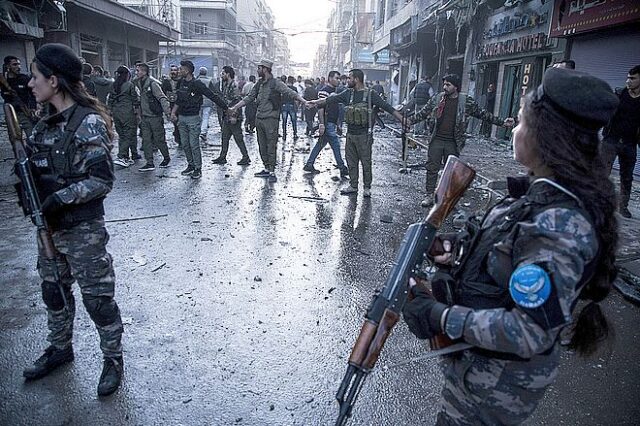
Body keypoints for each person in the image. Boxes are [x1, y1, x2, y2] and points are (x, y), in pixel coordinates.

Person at [402, 68, 619, 425]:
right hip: (478, 372)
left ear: (544, 138)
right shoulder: (538, 194)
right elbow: (508, 255)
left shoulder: (560, 223)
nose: (515, 131)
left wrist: (439, 315)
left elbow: (528, 331)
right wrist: (455, 253)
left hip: (495, 388)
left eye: (520, 123)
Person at [23, 43, 125, 396]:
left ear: (54, 80)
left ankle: (112, 359)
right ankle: (60, 348)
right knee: (54, 293)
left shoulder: (89, 123)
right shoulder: (42, 126)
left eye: (35, 77)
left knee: (98, 300)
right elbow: (38, 171)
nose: (30, 84)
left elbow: (102, 180)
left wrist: (60, 198)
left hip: (83, 230)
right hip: (48, 229)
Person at [411, 74, 515, 207]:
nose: (445, 87)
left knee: (450, 172)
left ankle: (445, 198)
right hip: (436, 139)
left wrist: (502, 123)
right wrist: (409, 121)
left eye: (448, 85)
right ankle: (429, 195)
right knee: (432, 168)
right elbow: (423, 113)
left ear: (456, 87)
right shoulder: (437, 99)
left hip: (453, 141)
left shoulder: (465, 101)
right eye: (444, 84)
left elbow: (482, 114)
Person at [309, 69, 407, 197]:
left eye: (349, 78)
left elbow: (386, 107)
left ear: (356, 79)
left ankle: (367, 187)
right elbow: (329, 100)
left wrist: (402, 119)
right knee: (351, 161)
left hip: (364, 135)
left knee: (366, 162)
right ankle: (353, 185)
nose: (347, 80)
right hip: (350, 134)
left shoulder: (370, 94)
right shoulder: (347, 93)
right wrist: (313, 103)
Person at [228, 59, 308, 183]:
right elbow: (249, 97)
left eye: (259, 68)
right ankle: (266, 168)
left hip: (271, 119)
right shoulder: (259, 83)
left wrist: (304, 102)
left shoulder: (275, 83)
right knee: (262, 146)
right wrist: (235, 107)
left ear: (265, 69)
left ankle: (272, 171)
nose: (257, 70)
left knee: (271, 145)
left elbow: (290, 92)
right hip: (259, 119)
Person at [170, 60, 228, 179]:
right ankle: (190, 165)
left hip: (193, 118)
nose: (179, 71)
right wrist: (173, 112)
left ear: (187, 70)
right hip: (182, 118)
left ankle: (198, 168)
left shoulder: (197, 84)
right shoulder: (181, 82)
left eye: (181, 69)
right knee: (185, 144)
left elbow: (211, 95)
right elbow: (178, 99)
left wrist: (226, 108)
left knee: (194, 144)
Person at [601, 65, 640, 218]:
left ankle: (623, 206)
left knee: (627, 176)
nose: (628, 81)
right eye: (628, 78)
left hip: (630, 143)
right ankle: (598, 201)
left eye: (633, 78)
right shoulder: (619, 94)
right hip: (611, 140)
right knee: (602, 172)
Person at [303, 71, 348, 177]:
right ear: (330, 78)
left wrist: (337, 124)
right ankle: (342, 167)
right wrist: (322, 124)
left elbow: (335, 109)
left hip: (331, 123)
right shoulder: (324, 91)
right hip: (328, 123)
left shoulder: (334, 91)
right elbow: (320, 109)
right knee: (335, 145)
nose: (338, 80)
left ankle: (309, 164)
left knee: (320, 144)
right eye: (336, 78)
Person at [134, 62, 172, 171]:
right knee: (146, 140)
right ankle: (149, 162)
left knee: (159, 139)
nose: (137, 72)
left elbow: (162, 98)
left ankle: (166, 157)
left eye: (138, 70)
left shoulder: (153, 83)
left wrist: (168, 112)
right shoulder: (137, 83)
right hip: (145, 117)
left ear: (144, 72)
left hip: (155, 116)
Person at [211, 65, 251, 166]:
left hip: (233, 116)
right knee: (224, 137)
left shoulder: (234, 85)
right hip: (227, 115)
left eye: (223, 73)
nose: (221, 75)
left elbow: (237, 101)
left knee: (238, 138)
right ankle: (222, 157)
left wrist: (234, 116)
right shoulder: (226, 85)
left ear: (228, 74)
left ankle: (246, 157)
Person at [108, 65, 140, 167]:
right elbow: (135, 100)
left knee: (122, 135)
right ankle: (121, 156)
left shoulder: (113, 85)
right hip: (127, 113)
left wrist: (110, 113)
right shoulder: (130, 85)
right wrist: (138, 114)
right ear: (127, 75)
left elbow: (110, 100)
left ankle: (127, 156)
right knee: (128, 134)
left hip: (116, 112)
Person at [1, 55, 37, 136]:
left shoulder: (24, 79)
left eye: (19, 64)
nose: (19, 67)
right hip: (11, 114)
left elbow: (33, 94)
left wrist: (33, 108)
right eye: (15, 64)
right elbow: (4, 96)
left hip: (25, 112)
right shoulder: (4, 81)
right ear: (7, 66)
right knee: (15, 139)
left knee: (31, 136)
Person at [161, 64, 181, 147]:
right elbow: (162, 92)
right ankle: (177, 135)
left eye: (175, 70)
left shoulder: (181, 81)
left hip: (180, 105)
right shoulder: (166, 82)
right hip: (171, 104)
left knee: (180, 122)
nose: (173, 72)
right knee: (175, 122)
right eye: (172, 70)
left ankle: (179, 137)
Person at [196, 67, 214, 142]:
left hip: (197, 101)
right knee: (206, 117)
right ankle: (203, 132)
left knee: (198, 117)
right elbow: (212, 92)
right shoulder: (209, 81)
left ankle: (198, 131)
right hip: (207, 101)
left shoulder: (196, 80)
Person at [281, 76, 299, 141]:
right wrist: (297, 106)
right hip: (291, 106)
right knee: (293, 121)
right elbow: (296, 98)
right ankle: (295, 134)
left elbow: (280, 97)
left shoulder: (283, 88)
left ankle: (284, 134)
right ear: (293, 81)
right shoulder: (294, 88)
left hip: (284, 106)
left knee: (284, 121)